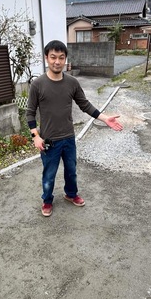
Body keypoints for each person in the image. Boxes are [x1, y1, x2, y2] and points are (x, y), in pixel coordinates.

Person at [26, 40, 123, 217]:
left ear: (65, 60)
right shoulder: (37, 84)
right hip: (49, 141)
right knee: (49, 174)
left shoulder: (72, 82)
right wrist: (35, 136)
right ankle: (47, 200)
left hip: (69, 138)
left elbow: (84, 105)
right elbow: (30, 113)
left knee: (71, 171)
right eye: (53, 57)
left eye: (61, 58)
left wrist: (104, 118)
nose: (57, 61)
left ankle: (71, 194)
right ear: (46, 58)